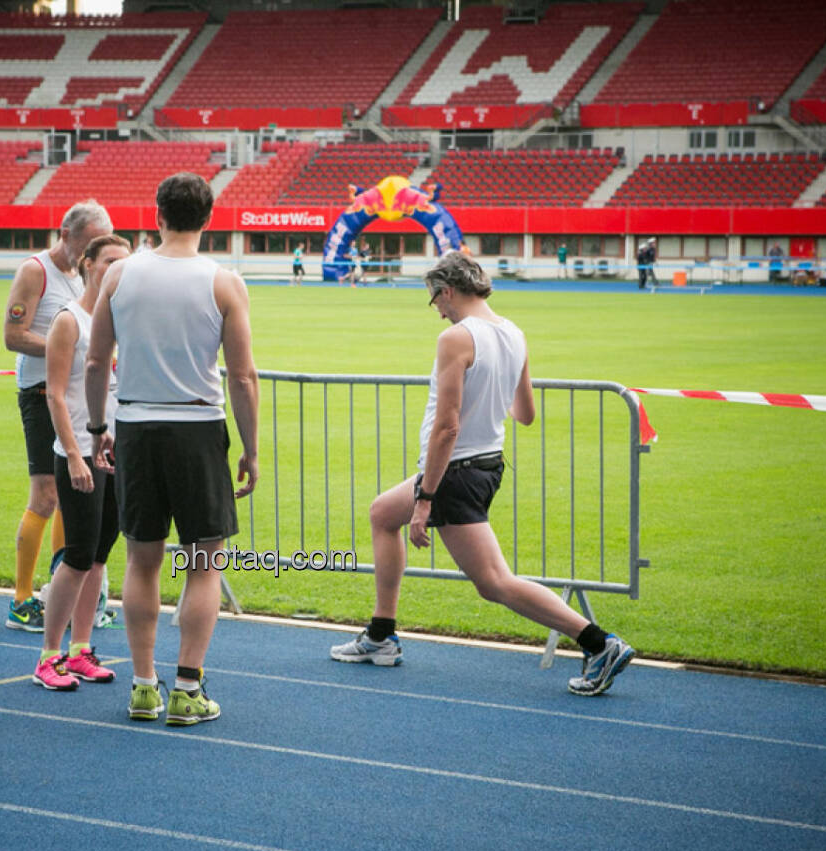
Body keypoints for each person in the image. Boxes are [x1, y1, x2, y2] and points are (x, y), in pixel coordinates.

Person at [329, 252, 636, 697]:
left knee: (494, 583)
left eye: (434, 298)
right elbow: (525, 413)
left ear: (448, 291)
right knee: (382, 514)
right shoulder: (514, 332)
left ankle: (599, 642)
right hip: (487, 464)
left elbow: (447, 426)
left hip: (454, 471)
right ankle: (381, 635)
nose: (435, 308)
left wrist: (425, 498)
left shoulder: (456, 338)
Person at [85, 172, 259, 726]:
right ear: (208, 219)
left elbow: (95, 362)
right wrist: (251, 450)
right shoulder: (224, 282)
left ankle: (142, 686)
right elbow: (243, 376)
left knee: (142, 560)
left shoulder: (117, 274)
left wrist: (96, 428)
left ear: (156, 213)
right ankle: (187, 688)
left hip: (134, 422)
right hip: (197, 426)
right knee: (205, 562)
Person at [3, 200, 114, 634]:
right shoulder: (36, 271)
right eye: (88, 245)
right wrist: (61, 348)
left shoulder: (81, 276)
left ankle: (59, 594)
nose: (91, 256)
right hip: (40, 393)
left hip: (77, 398)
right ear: (66, 235)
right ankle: (20, 600)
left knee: (77, 497)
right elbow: (13, 335)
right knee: (46, 496)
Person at [31, 233, 131, 691]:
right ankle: (49, 655)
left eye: (124, 263)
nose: (116, 269)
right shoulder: (69, 321)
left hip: (116, 453)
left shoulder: (125, 320)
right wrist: (73, 454)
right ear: (88, 264)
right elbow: (53, 393)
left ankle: (81, 650)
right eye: (109, 261)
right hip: (77, 454)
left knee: (98, 556)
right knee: (76, 555)